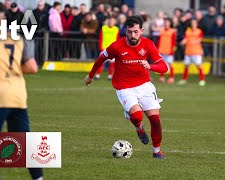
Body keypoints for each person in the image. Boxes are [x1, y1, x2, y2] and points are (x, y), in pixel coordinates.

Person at [83, 15, 168, 159]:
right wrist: (90, 76)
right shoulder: (117, 46)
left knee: (155, 120)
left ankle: (156, 152)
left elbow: (164, 67)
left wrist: (151, 66)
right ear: (125, 31)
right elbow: (100, 59)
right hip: (124, 87)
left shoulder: (148, 44)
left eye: (135, 31)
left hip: (145, 85)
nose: (132, 35)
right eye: (129, 32)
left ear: (141, 30)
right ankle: (139, 127)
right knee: (137, 116)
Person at [0, 1, 42, 179]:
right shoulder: (17, 36)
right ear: (3, 16)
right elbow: (32, 67)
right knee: (26, 145)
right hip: (19, 95)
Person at [179, 18, 206, 86]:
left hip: (196, 51)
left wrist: (193, 41)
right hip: (188, 51)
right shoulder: (187, 31)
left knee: (199, 66)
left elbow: (200, 39)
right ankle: (184, 79)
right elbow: (185, 39)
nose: (193, 24)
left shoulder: (199, 31)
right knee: (186, 66)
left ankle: (202, 80)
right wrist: (182, 42)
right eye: (192, 23)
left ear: (197, 24)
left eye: (194, 23)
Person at [157, 17, 176, 84]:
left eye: (167, 22)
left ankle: (171, 77)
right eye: (165, 22)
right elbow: (159, 40)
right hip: (161, 50)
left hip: (169, 51)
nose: (166, 23)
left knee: (170, 64)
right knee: (162, 64)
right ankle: (162, 77)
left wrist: (172, 50)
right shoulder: (161, 30)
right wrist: (157, 48)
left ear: (170, 23)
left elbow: (174, 42)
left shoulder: (172, 31)